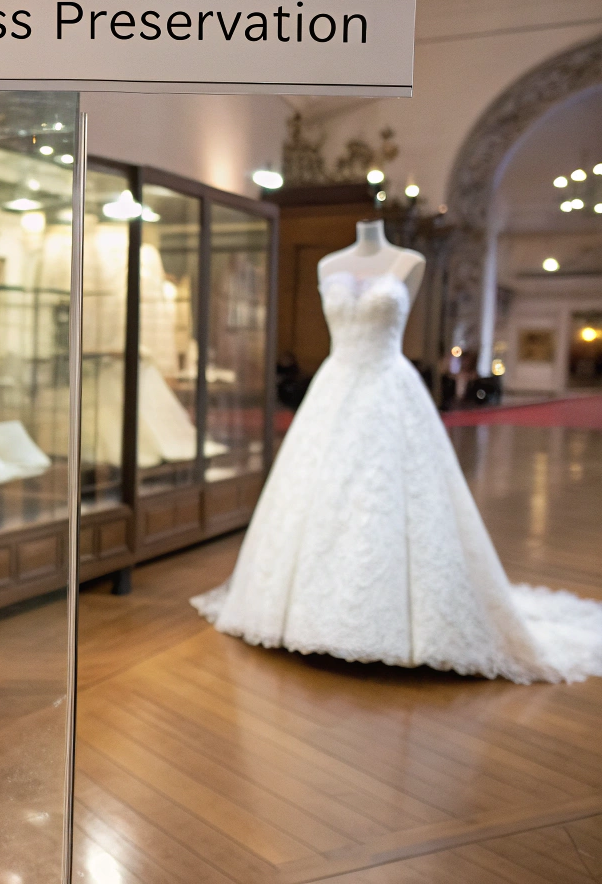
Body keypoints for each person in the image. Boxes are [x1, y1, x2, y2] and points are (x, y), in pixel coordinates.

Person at [191, 220, 602, 683]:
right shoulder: (328, 265)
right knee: (317, 495)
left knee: (387, 495)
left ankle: (401, 623)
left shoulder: (410, 262)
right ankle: (301, 612)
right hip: (334, 390)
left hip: (389, 388)